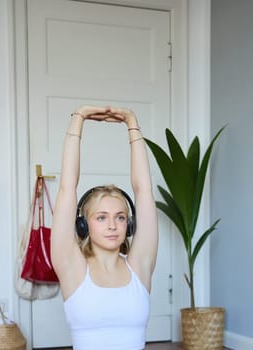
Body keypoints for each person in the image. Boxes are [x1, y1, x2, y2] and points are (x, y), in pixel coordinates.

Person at [51, 105, 159, 350]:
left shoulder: (139, 268)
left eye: (120, 217)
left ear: (129, 225)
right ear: (83, 224)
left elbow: (144, 191)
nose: (112, 225)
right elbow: (67, 187)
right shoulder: (72, 267)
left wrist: (132, 123)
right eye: (101, 217)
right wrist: (78, 118)